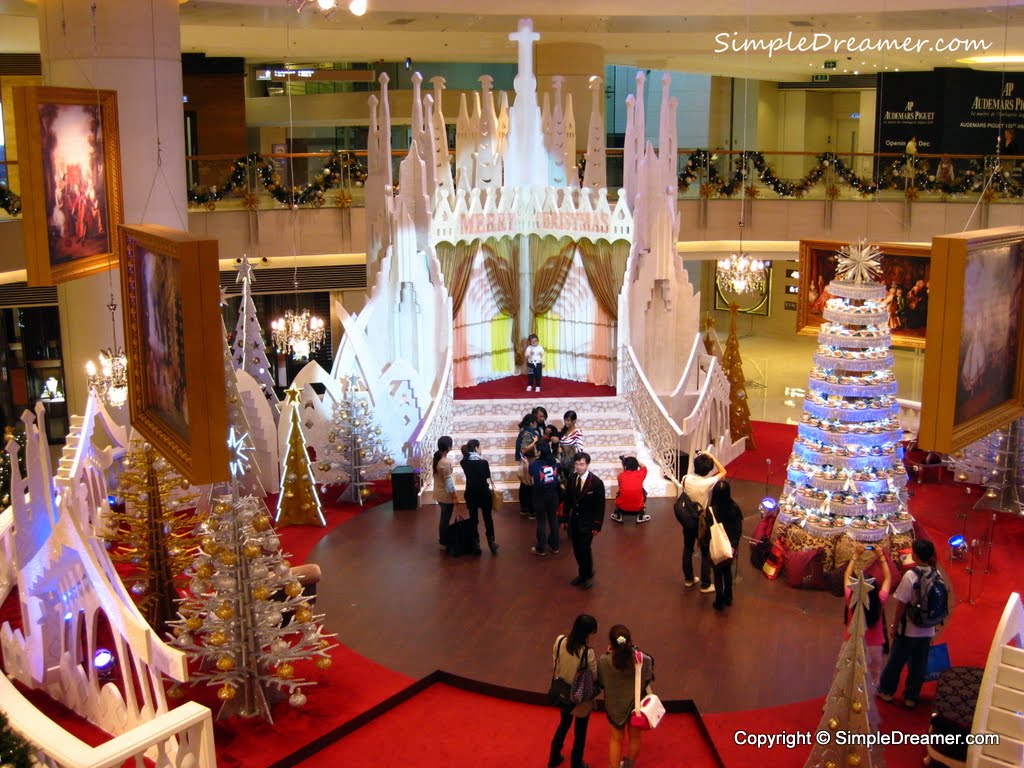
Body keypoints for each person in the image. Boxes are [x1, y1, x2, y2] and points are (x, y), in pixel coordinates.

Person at [878, 539, 942, 709]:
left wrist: (894, 625)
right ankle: (911, 696)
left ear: (915, 555)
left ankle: (886, 691)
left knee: (896, 662)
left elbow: (901, 604)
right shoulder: (936, 574)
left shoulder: (911, 576)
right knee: (919, 665)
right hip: (927, 629)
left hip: (908, 630)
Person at [597, 625, 654, 768]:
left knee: (616, 739)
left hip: (615, 706)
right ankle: (628, 764)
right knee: (635, 737)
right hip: (635, 706)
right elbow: (648, 674)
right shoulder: (641, 659)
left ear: (611, 644)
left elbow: (602, 682)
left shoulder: (604, 661)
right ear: (630, 642)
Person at [548, 614, 598, 768]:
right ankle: (576, 763)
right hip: (579, 697)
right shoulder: (587, 653)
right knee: (580, 731)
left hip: (563, 693)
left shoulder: (560, 640)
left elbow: (555, 660)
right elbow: (594, 675)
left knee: (564, 724)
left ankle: (554, 757)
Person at [844, 543, 893, 685]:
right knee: (872, 677)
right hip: (874, 646)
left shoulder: (850, 598)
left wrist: (855, 555)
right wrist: (881, 556)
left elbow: (847, 575)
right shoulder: (879, 600)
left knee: (849, 676)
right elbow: (888, 578)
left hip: (852, 644)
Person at [679, 450, 726, 593]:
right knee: (705, 551)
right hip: (702, 520)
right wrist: (711, 455)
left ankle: (689, 579)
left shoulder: (686, 478)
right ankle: (705, 584)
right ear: (707, 470)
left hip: (687, 517)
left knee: (688, 548)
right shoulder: (707, 483)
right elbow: (723, 471)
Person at [564, 452, 605, 589]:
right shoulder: (572, 479)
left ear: (587, 465)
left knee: (584, 549)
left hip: (588, 523)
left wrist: (597, 525)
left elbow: (600, 506)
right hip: (574, 521)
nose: (579, 467)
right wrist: (564, 518)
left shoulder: (596, 483)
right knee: (576, 549)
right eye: (576, 464)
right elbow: (568, 500)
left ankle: (587, 575)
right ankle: (582, 574)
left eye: (581, 464)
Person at [707, 480, 744, 610]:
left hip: (717, 546)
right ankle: (728, 597)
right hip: (730, 546)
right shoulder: (734, 507)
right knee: (727, 571)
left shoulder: (711, 510)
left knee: (717, 574)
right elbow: (738, 529)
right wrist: (733, 546)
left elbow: (707, 531)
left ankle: (719, 600)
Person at [460, 439, 498, 555]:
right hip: (484, 493)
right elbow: (487, 476)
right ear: (476, 448)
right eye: (480, 447)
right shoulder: (483, 462)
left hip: (471, 493)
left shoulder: (464, 462)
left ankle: (476, 544)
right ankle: (491, 542)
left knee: (473, 519)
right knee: (487, 518)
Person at [530, 446, 561, 556]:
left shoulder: (534, 464)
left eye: (535, 449)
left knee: (541, 522)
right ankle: (555, 546)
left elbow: (532, 480)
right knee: (553, 520)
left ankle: (541, 548)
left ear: (539, 451)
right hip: (553, 495)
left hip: (540, 496)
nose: (534, 451)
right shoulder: (555, 462)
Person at [432, 436, 456, 550]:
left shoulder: (437, 458)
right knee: (445, 518)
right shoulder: (445, 462)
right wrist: (454, 497)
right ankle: (444, 541)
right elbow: (449, 482)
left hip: (438, 493)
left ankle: (443, 538)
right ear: (449, 447)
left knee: (444, 517)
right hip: (445, 495)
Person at [515, 413, 539, 519]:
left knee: (525, 486)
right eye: (535, 422)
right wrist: (534, 442)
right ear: (531, 423)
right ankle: (532, 511)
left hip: (525, 462)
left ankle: (525, 509)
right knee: (531, 487)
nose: (537, 424)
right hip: (529, 461)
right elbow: (524, 449)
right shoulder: (529, 433)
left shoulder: (523, 431)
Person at [612, 456, 649, 524]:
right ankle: (640, 515)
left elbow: (625, 473)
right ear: (637, 465)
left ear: (625, 466)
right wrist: (636, 461)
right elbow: (643, 466)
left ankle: (618, 514)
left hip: (622, 509)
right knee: (644, 492)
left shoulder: (620, 476)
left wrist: (625, 462)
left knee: (619, 493)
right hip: (637, 509)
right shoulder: (641, 474)